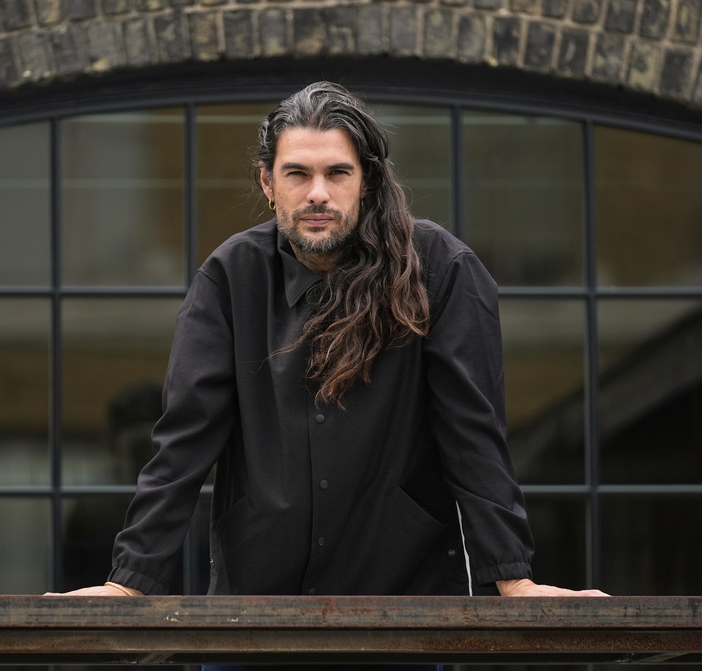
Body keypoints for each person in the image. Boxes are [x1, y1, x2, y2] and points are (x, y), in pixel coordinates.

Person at [53, 82, 606, 610]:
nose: (317, 193)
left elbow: (474, 436)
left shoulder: (442, 270)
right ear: (268, 183)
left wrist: (514, 579)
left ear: (366, 180)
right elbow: (183, 442)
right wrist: (129, 582)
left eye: (337, 172)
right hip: (253, 612)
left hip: (404, 613)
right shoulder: (231, 277)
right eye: (298, 173)